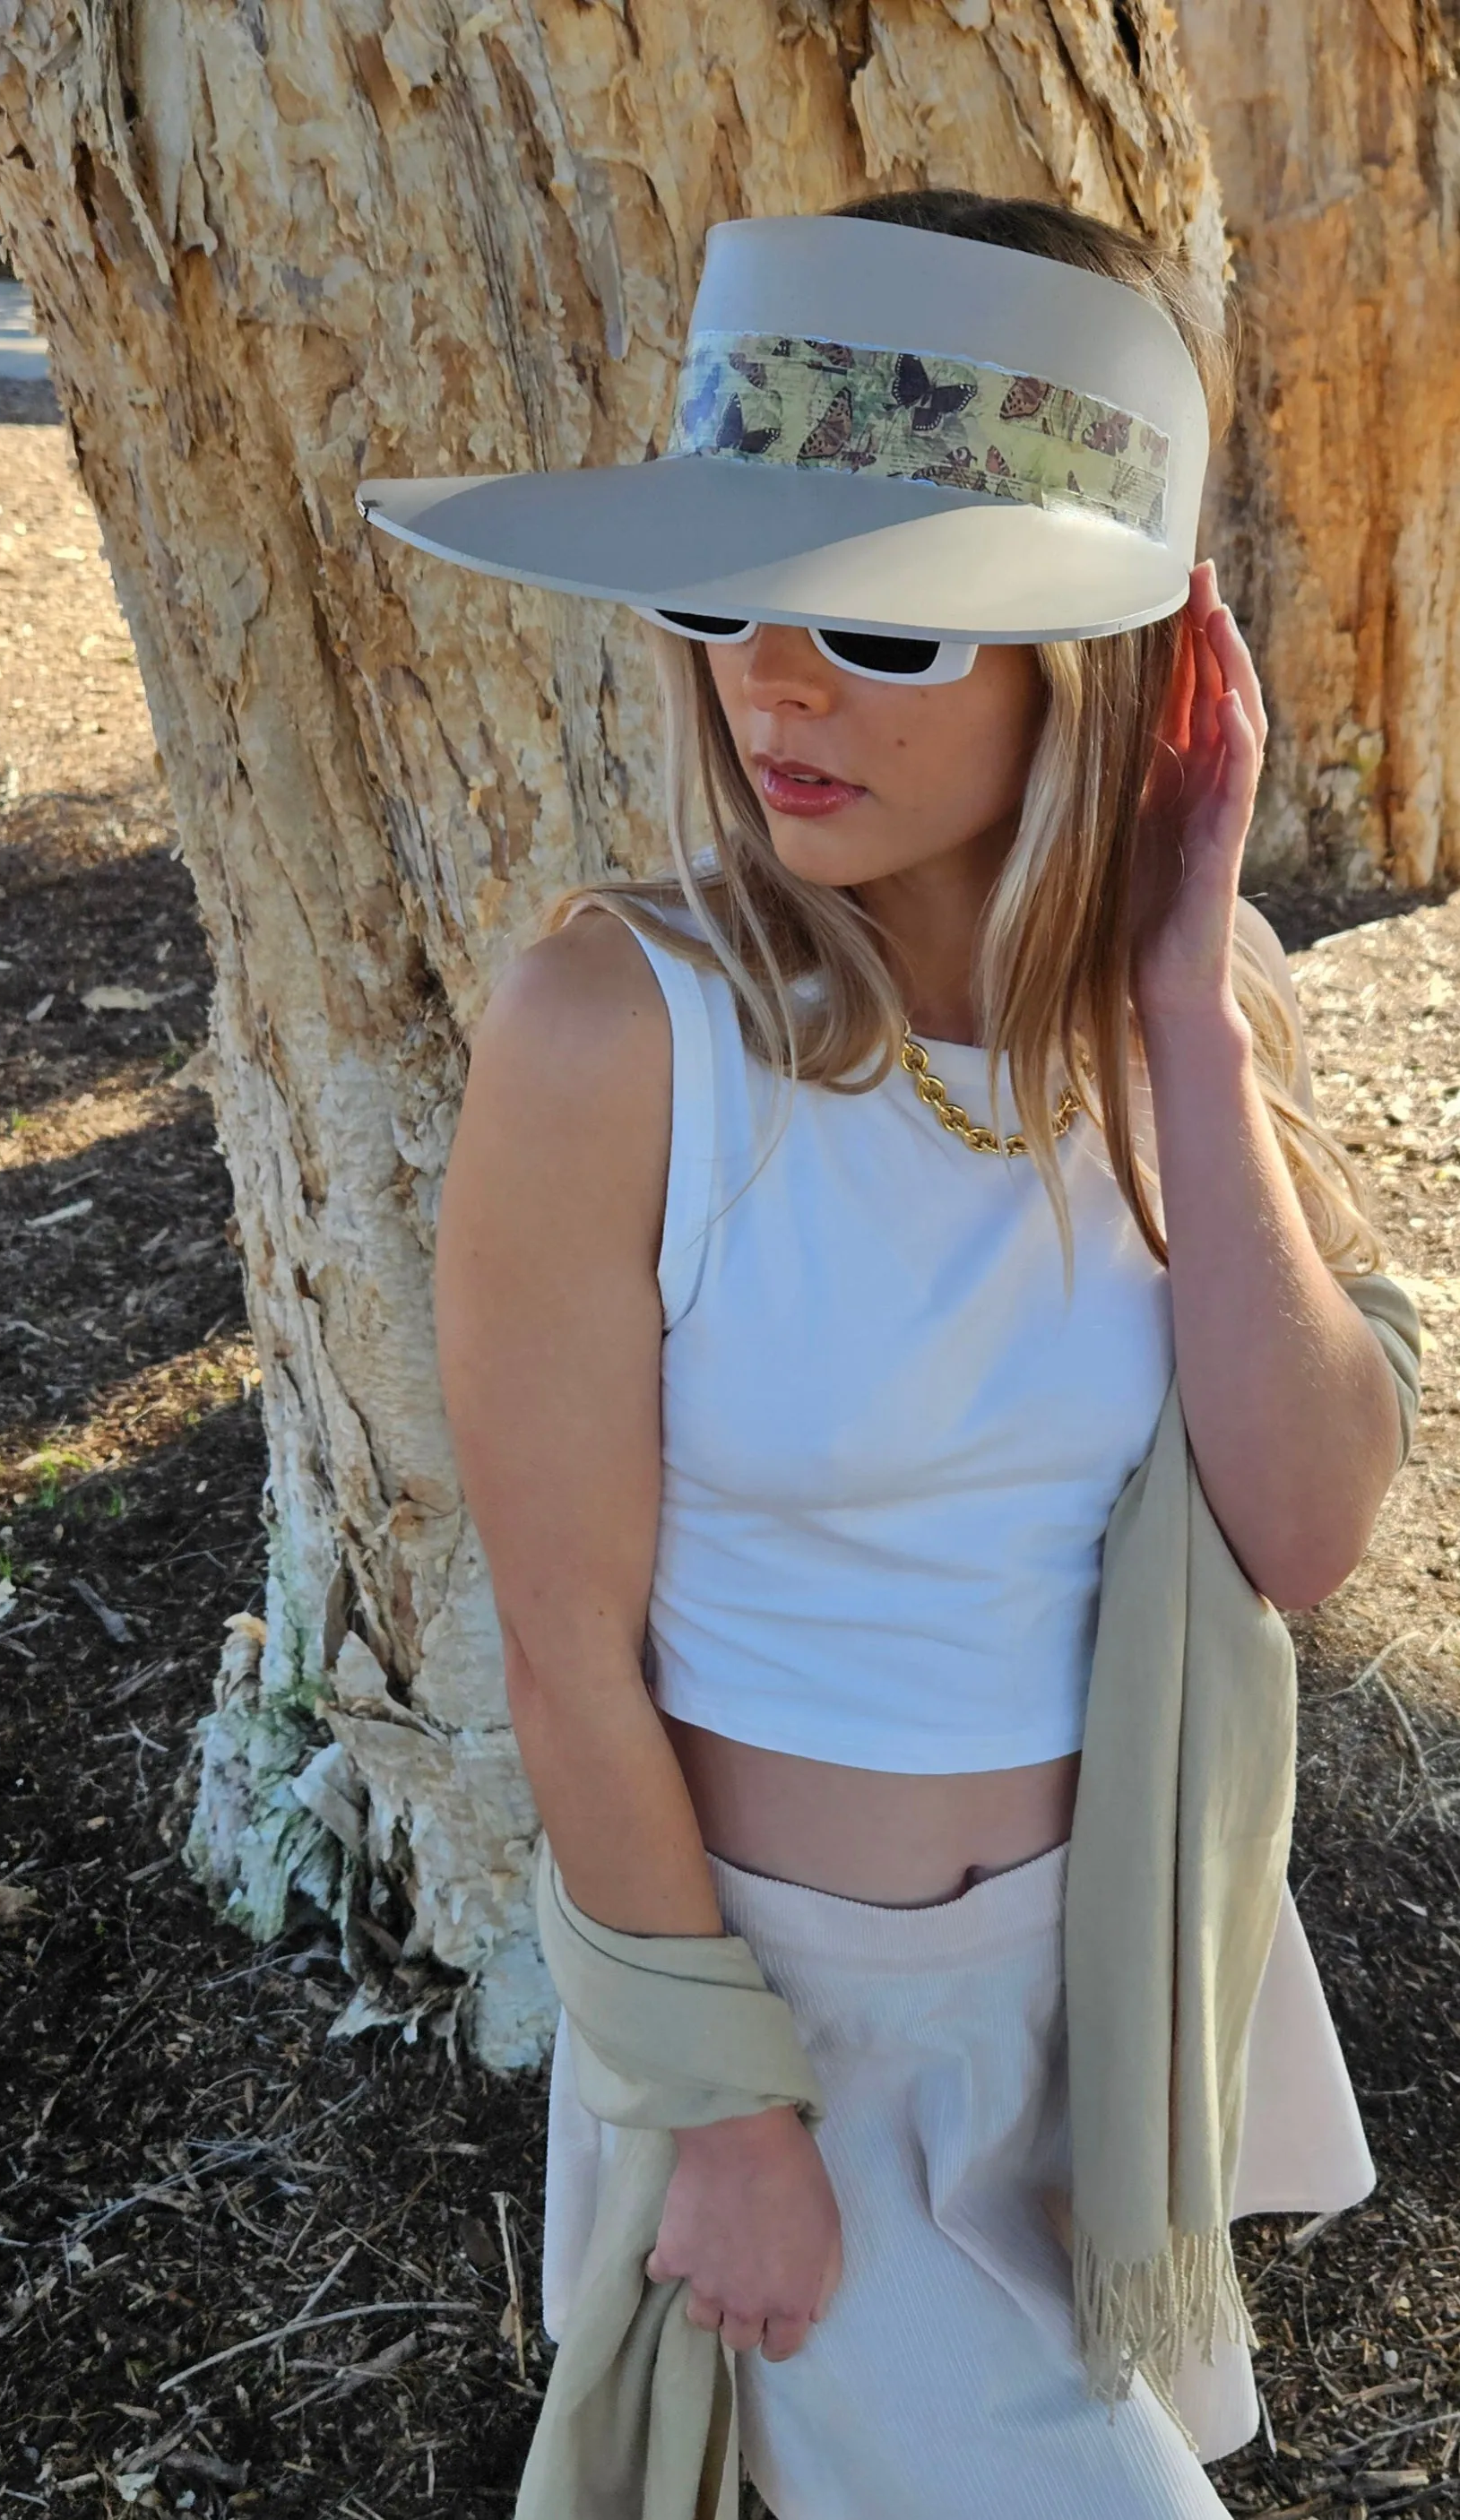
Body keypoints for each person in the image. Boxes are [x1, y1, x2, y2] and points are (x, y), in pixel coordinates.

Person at [359, 192, 1409, 2516]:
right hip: (797, 2025)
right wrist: (716, 2113)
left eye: (879, 623)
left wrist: (1174, 1005)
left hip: (1110, 1974)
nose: (774, 686)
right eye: (725, 601)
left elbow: (1303, 1521)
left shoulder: (1186, 1025)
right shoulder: (619, 1025)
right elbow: (559, 1644)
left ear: (1088, 664)